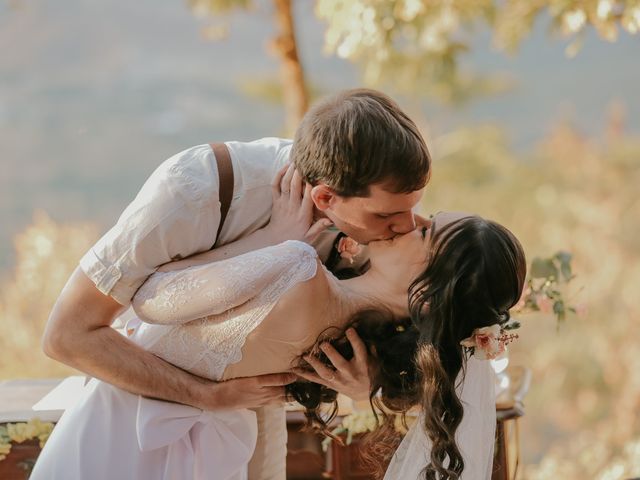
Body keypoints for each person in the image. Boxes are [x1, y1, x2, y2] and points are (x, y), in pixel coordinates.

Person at [41, 88, 432, 478]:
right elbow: (67, 335)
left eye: (412, 209)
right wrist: (205, 396)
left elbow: (404, 325)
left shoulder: (371, 209)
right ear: (325, 197)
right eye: (389, 216)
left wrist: (371, 385)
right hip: (132, 439)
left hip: (248, 434)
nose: (408, 226)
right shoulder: (191, 192)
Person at [31, 208, 525, 480]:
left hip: (118, 430)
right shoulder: (357, 355)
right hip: (215, 451)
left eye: (426, 231)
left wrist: (270, 238)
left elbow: (150, 299)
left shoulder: (295, 265)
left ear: (430, 289)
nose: (409, 218)